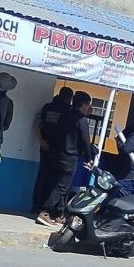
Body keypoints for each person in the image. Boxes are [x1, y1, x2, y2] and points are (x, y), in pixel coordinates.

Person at [36, 90, 95, 227]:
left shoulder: (64, 115)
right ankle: (45, 212)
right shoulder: (81, 120)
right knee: (62, 186)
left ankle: (59, 214)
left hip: (56, 153)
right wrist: (89, 158)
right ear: (85, 105)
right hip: (70, 156)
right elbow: (85, 141)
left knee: (58, 184)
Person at [32, 87, 74, 213]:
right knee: (56, 180)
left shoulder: (47, 107)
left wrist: (42, 140)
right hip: (59, 150)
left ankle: (37, 206)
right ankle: (51, 209)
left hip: (45, 146)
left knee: (42, 176)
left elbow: (36, 124)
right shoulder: (68, 110)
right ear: (69, 98)